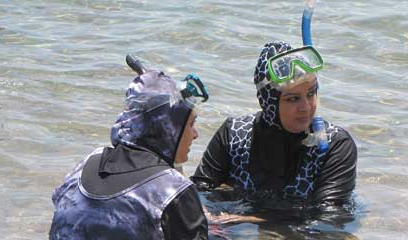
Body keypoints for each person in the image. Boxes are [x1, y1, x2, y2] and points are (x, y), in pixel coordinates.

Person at [49, 58, 210, 240]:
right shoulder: (173, 191)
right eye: (191, 124)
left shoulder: (85, 165)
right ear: (169, 129)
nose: (195, 134)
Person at [191, 41, 357, 210]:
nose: (306, 107)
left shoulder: (335, 145)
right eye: (293, 98)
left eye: (311, 93)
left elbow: (330, 219)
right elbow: (198, 192)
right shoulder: (233, 135)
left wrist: (248, 219)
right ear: (269, 102)